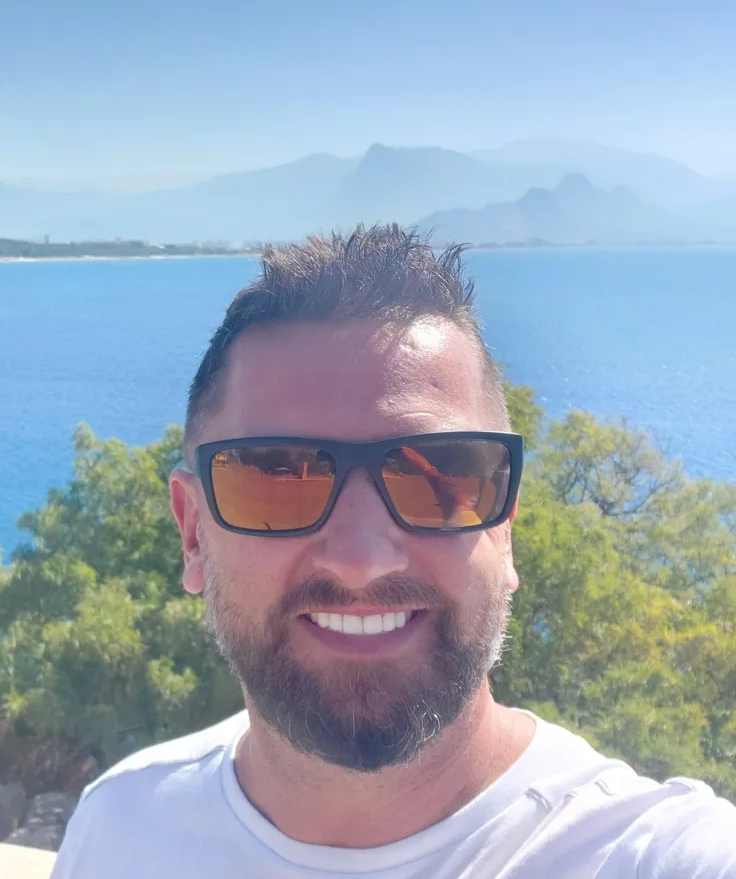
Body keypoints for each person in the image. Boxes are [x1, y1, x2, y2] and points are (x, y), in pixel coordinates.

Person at [50, 225, 736, 878]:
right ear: (193, 533)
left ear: (505, 528)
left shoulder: (644, 855)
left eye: (438, 477)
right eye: (275, 477)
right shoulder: (120, 831)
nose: (361, 559)